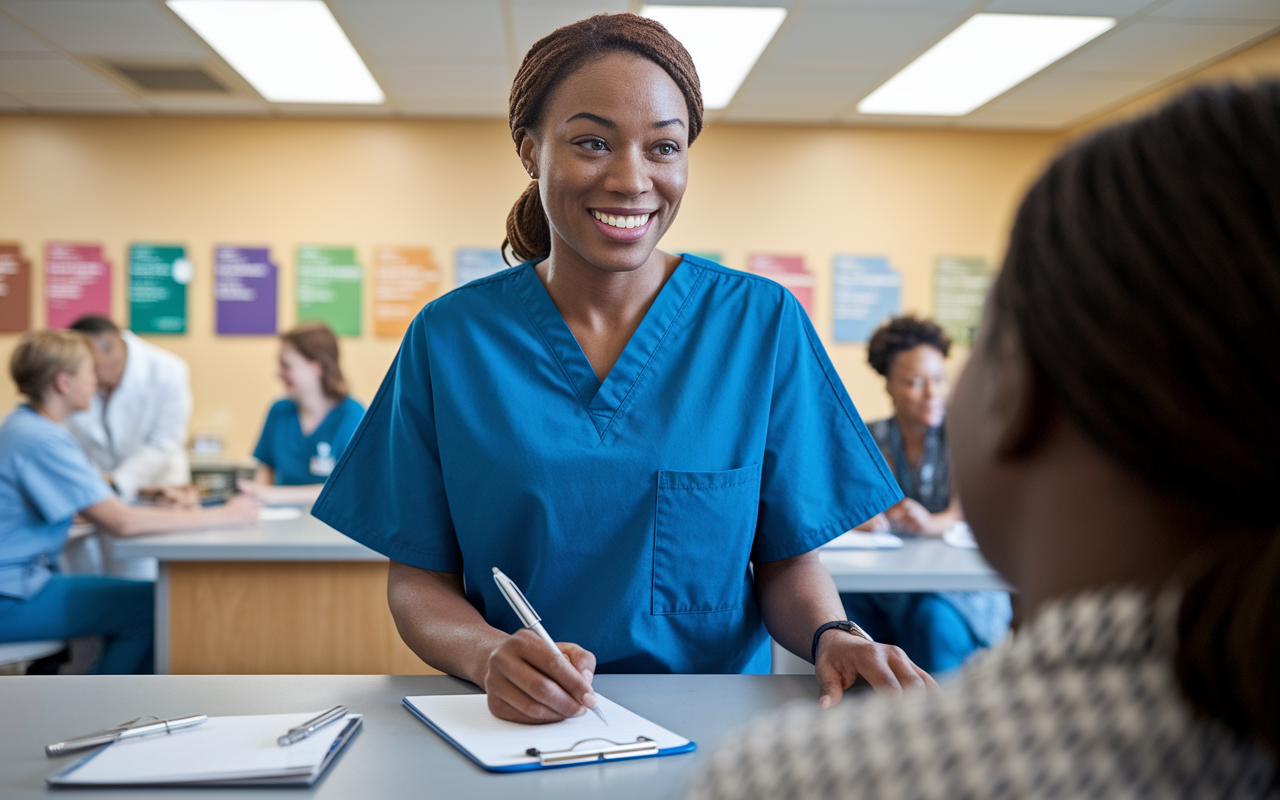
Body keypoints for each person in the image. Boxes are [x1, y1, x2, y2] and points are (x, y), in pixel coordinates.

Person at [314, 12, 934, 726]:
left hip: (711, 734)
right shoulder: (449, 340)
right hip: (513, 733)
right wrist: (487, 654)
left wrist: (835, 635)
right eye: (591, 142)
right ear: (529, 151)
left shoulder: (759, 325)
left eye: (663, 147)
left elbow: (788, 562)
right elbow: (418, 582)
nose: (631, 178)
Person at [686, 81, 1280, 799]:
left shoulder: (788, 780)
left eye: (976, 350)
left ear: (1020, 394)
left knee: (934, 617)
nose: (934, 394)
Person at [0, 331, 259, 673]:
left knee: (135, 604)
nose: (97, 380)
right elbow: (122, 522)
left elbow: (87, 501)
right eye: (89, 371)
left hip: (19, 584)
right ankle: (103, 712)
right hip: (12, 599)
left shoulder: (23, 427)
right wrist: (229, 514)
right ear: (64, 382)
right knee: (155, 606)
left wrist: (152, 495)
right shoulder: (43, 441)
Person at [841, 316, 1011, 673]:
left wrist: (930, 523)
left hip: (954, 591)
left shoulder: (967, 432)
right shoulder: (869, 438)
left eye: (939, 380)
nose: (932, 393)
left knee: (931, 621)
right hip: (887, 585)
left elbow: (963, 514)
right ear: (889, 386)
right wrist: (866, 520)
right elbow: (847, 508)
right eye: (916, 382)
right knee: (840, 617)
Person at [65, 315, 192, 503]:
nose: (84, 370)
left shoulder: (167, 371)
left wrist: (116, 483)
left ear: (111, 346)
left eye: (89, 362)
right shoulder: (76, 375)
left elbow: (163, 443)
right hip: (97, 487)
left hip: (158, 485)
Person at [239, 322, 364, 505]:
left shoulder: (353, 415)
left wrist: (272, 494)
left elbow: (349, 489)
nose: (278, 373)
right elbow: (264, 475)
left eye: (286, 366)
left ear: (317, 367)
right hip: (280, 524)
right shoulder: (279, 412)